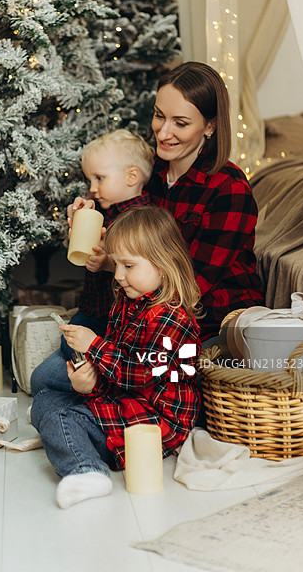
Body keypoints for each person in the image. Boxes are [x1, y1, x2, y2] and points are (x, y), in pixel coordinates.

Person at [31, 205, 201, 509]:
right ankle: (85, 445)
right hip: (124, 401)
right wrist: (89, 385)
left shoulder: (172, 318)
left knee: (61, 416)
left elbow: (139, 373)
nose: (118, 276)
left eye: (128, 266)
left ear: (164, 264)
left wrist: (94, 344)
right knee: (44, 401)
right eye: (116, 264)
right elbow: (117, 371)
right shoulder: (127, 302)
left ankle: (87, 471)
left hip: (155, 421)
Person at [146, 61, 264, 342]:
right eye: (159, 116)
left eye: (181, 123)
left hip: (210, 321)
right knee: (51, 374)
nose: (163, 133)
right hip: (151, 309)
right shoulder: (150, 171)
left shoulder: (229, 189)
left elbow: (192, 285)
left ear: (210, 126)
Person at [30, 129, 154, 396]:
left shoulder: (144, 220)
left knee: (48, 376)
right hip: (93, 312)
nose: (93, 188)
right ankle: (90, 381)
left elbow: (144, 271)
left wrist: (109, 263)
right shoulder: (104, 213)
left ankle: (103, 385)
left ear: (131, 176)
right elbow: (81, 252)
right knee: (58, 357)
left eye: (100, 178)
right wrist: (79, 222)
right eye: (90, 179)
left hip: (120, 327)